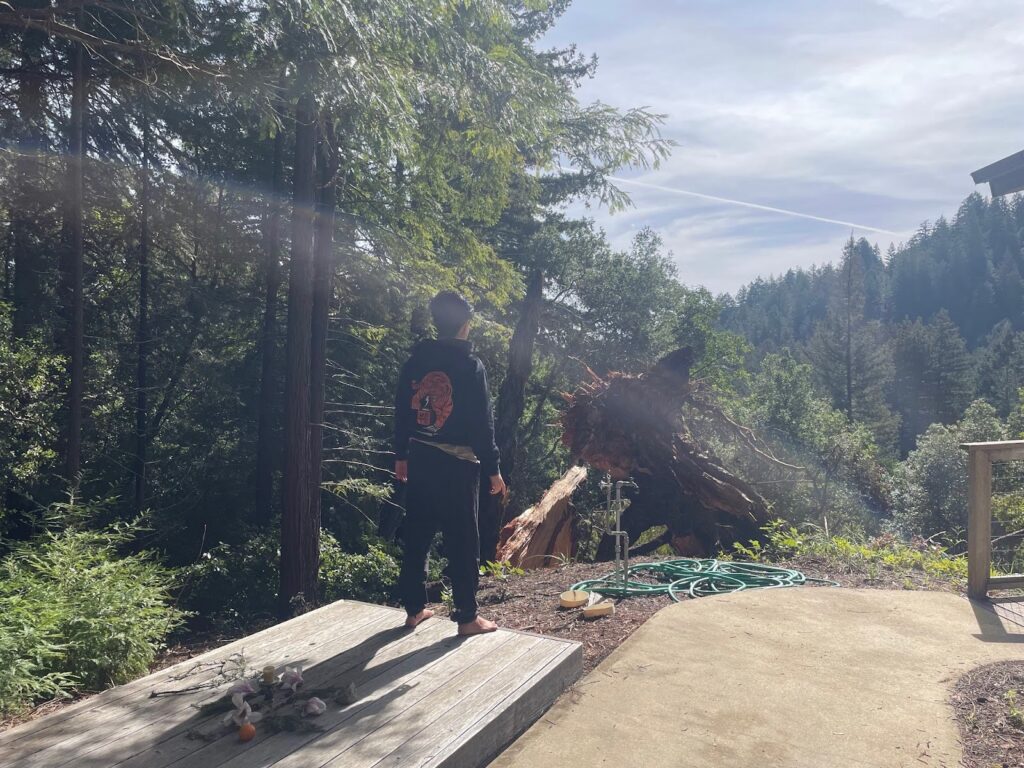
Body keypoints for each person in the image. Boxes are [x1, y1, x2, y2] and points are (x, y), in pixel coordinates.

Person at [393, 290, 506, 636]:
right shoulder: (470, 366)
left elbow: (401, 409)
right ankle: (467, 617)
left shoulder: (415, 362)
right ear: (465, 326)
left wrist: (399, 455)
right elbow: (481, 424)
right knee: (462, 540)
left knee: (418, 534)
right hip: (457, 466)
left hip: (420, 457)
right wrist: (493, 469)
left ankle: (414, 610)